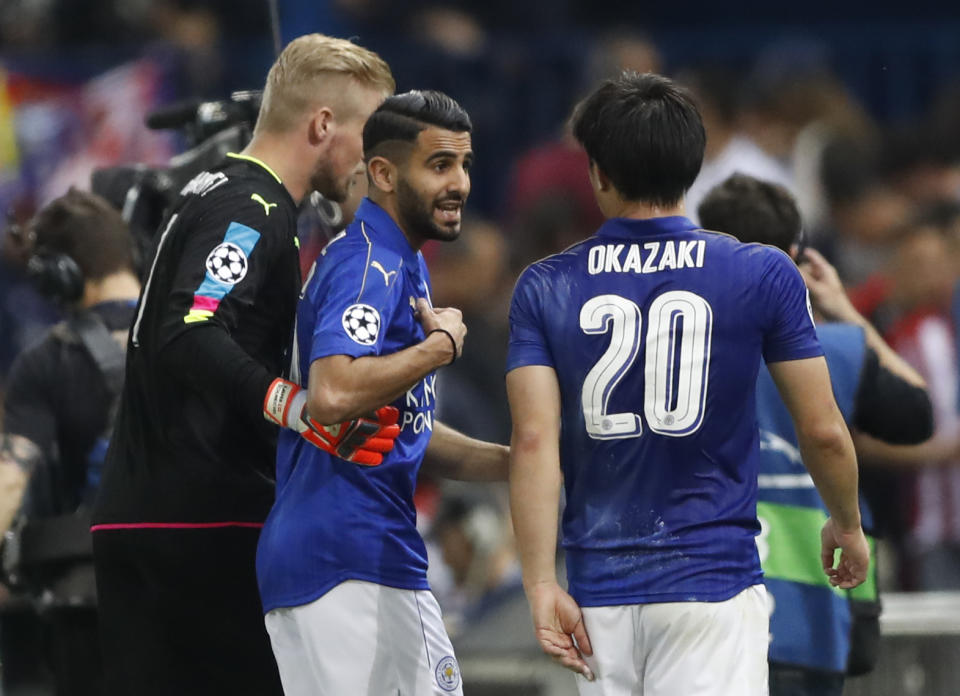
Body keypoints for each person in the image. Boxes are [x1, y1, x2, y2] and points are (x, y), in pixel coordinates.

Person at [505, 71, 869, 696]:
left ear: (597, 173)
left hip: (599, 593)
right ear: (694, 164)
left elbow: (535, 444)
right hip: (713, 585)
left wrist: (541, 583)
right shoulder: (762, 273)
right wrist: (847, 523)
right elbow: (823, 430)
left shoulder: (544, 285)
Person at [90, 34, 398, 696]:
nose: (372, 162)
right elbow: (191, 327)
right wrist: (295, 407)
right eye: (368, 136)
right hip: (203, 525)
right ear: (322, 124)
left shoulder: (215, 193)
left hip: (141, 515)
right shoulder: (251, 207)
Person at [255, 90, 510, 696]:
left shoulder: (399, 262)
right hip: (354, 554)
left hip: (333, 558)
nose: (460, 184)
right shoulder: (369, 264)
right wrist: (437, 349)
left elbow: (410, 430)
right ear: (384, 173)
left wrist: (513, 462)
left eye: (466, 165)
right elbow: (333, 393)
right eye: (440, 165)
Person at [698, 173, 933, 696]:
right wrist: (846, 312)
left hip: (707, 612)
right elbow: (916, 412)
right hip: (817, 614)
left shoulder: (678, 349)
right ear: (797, 256)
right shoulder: (839, 349)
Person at [0, 189, 141, 696]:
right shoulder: (192, 336)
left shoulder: (45, 362)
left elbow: (10, 484)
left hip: (88, 604)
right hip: (196, 587)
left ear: (57, 274)